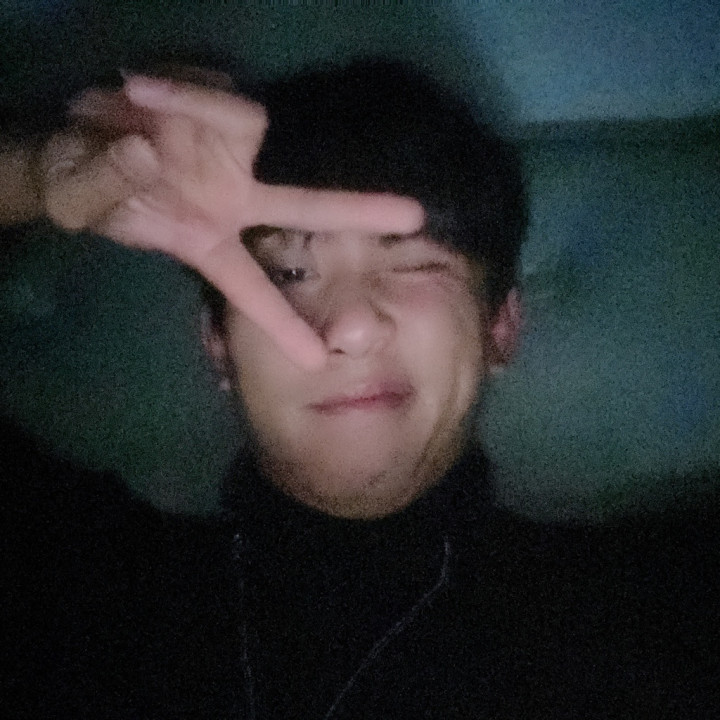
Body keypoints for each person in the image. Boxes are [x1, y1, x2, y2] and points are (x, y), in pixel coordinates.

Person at [2, 60, 716, 719]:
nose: (349, 327)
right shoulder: (77, 581)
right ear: (218, 346)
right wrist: (37, 174)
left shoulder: (649, 609)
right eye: (289, 274)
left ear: (499, 328)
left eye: (413, 265)